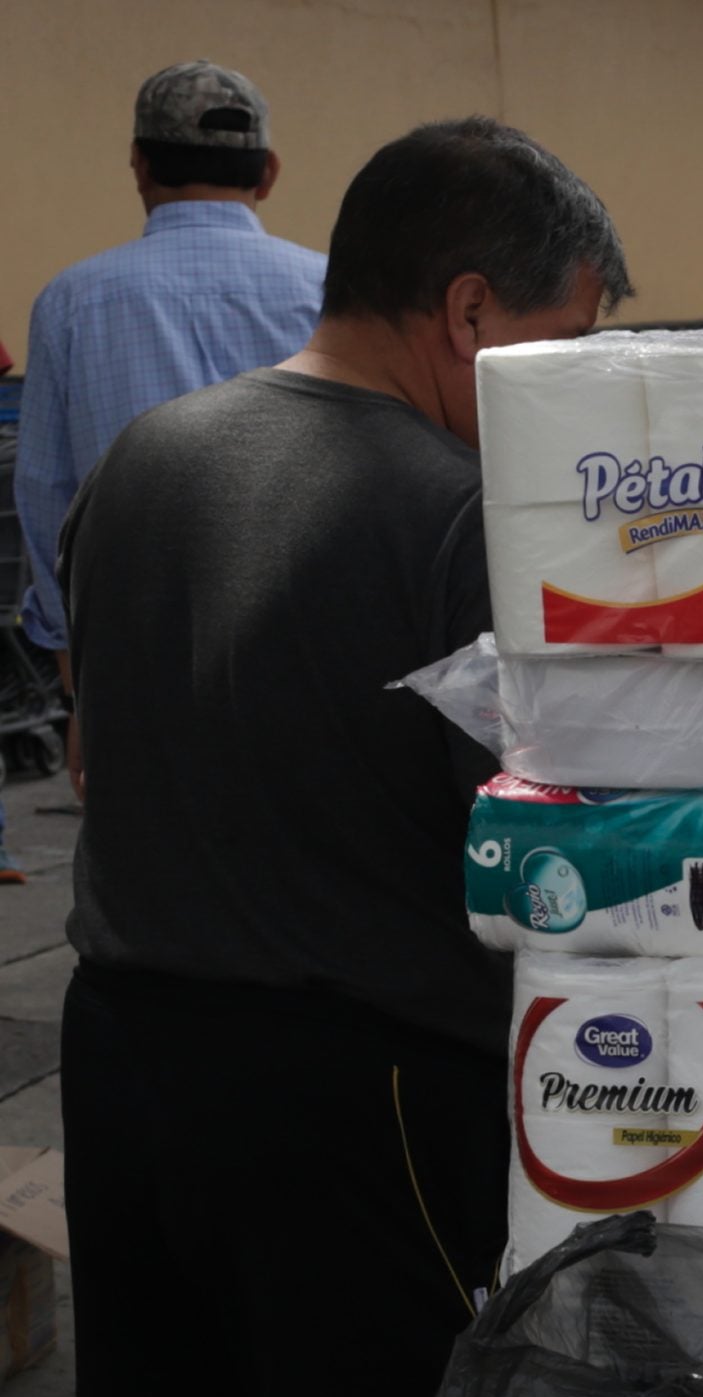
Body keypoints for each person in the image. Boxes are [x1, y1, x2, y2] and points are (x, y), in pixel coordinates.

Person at [56, 117, 630, 1397]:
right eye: (563, 344)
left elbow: (95, 749)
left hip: (125, 1057)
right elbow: (524, 848)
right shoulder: (460, 509)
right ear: (468, 311)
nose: (567, 389)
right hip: (355, 1091)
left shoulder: (142, 456)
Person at [12, 59, 325, 866]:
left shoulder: (72, 300)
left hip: (137, 662)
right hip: (313, 648)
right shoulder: (331, 289)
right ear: (268, 171)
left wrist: (78, 691)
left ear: (139, 166)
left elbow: (48, 502)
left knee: (158, 881)